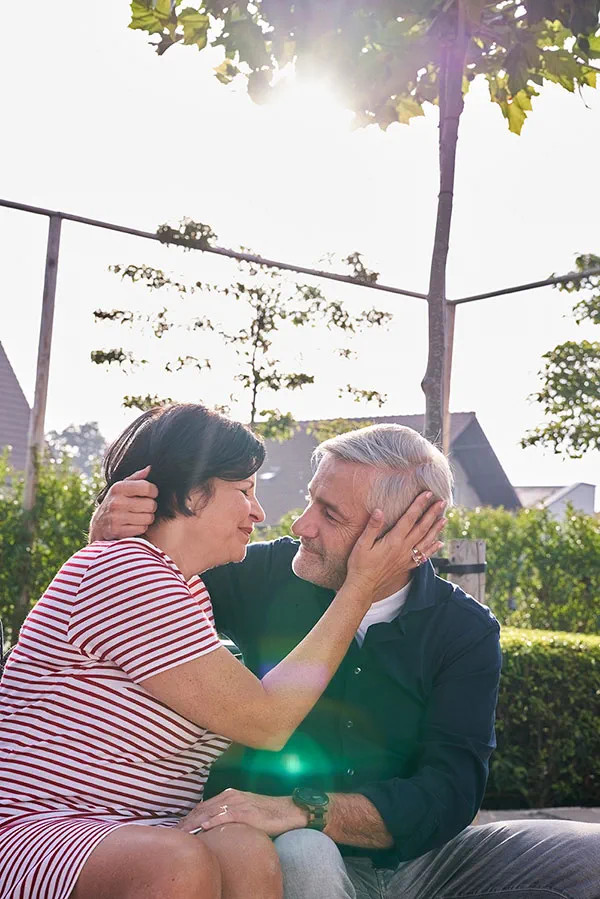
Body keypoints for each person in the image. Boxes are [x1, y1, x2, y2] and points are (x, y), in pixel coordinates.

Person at [93, 421, 600, 899]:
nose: (302, 525)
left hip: (419, 863)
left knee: (588, 854)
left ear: (405, 535)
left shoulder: (465, 629)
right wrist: (109, 536)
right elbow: (131, 602)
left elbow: (450, 792)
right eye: (311, 500)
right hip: (277, 854)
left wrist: (303, 810)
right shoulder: (253, 574)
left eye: (330, 514)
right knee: (305, 852)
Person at [0, 407, 443, 899]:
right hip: (44, 824)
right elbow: (266, 721)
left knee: (244, 849)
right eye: (245, 490)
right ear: (193, 493)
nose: (259, 513)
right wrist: (361, 586)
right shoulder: (123, 569)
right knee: (178, 863)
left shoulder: (187, 589)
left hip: (149, 828)